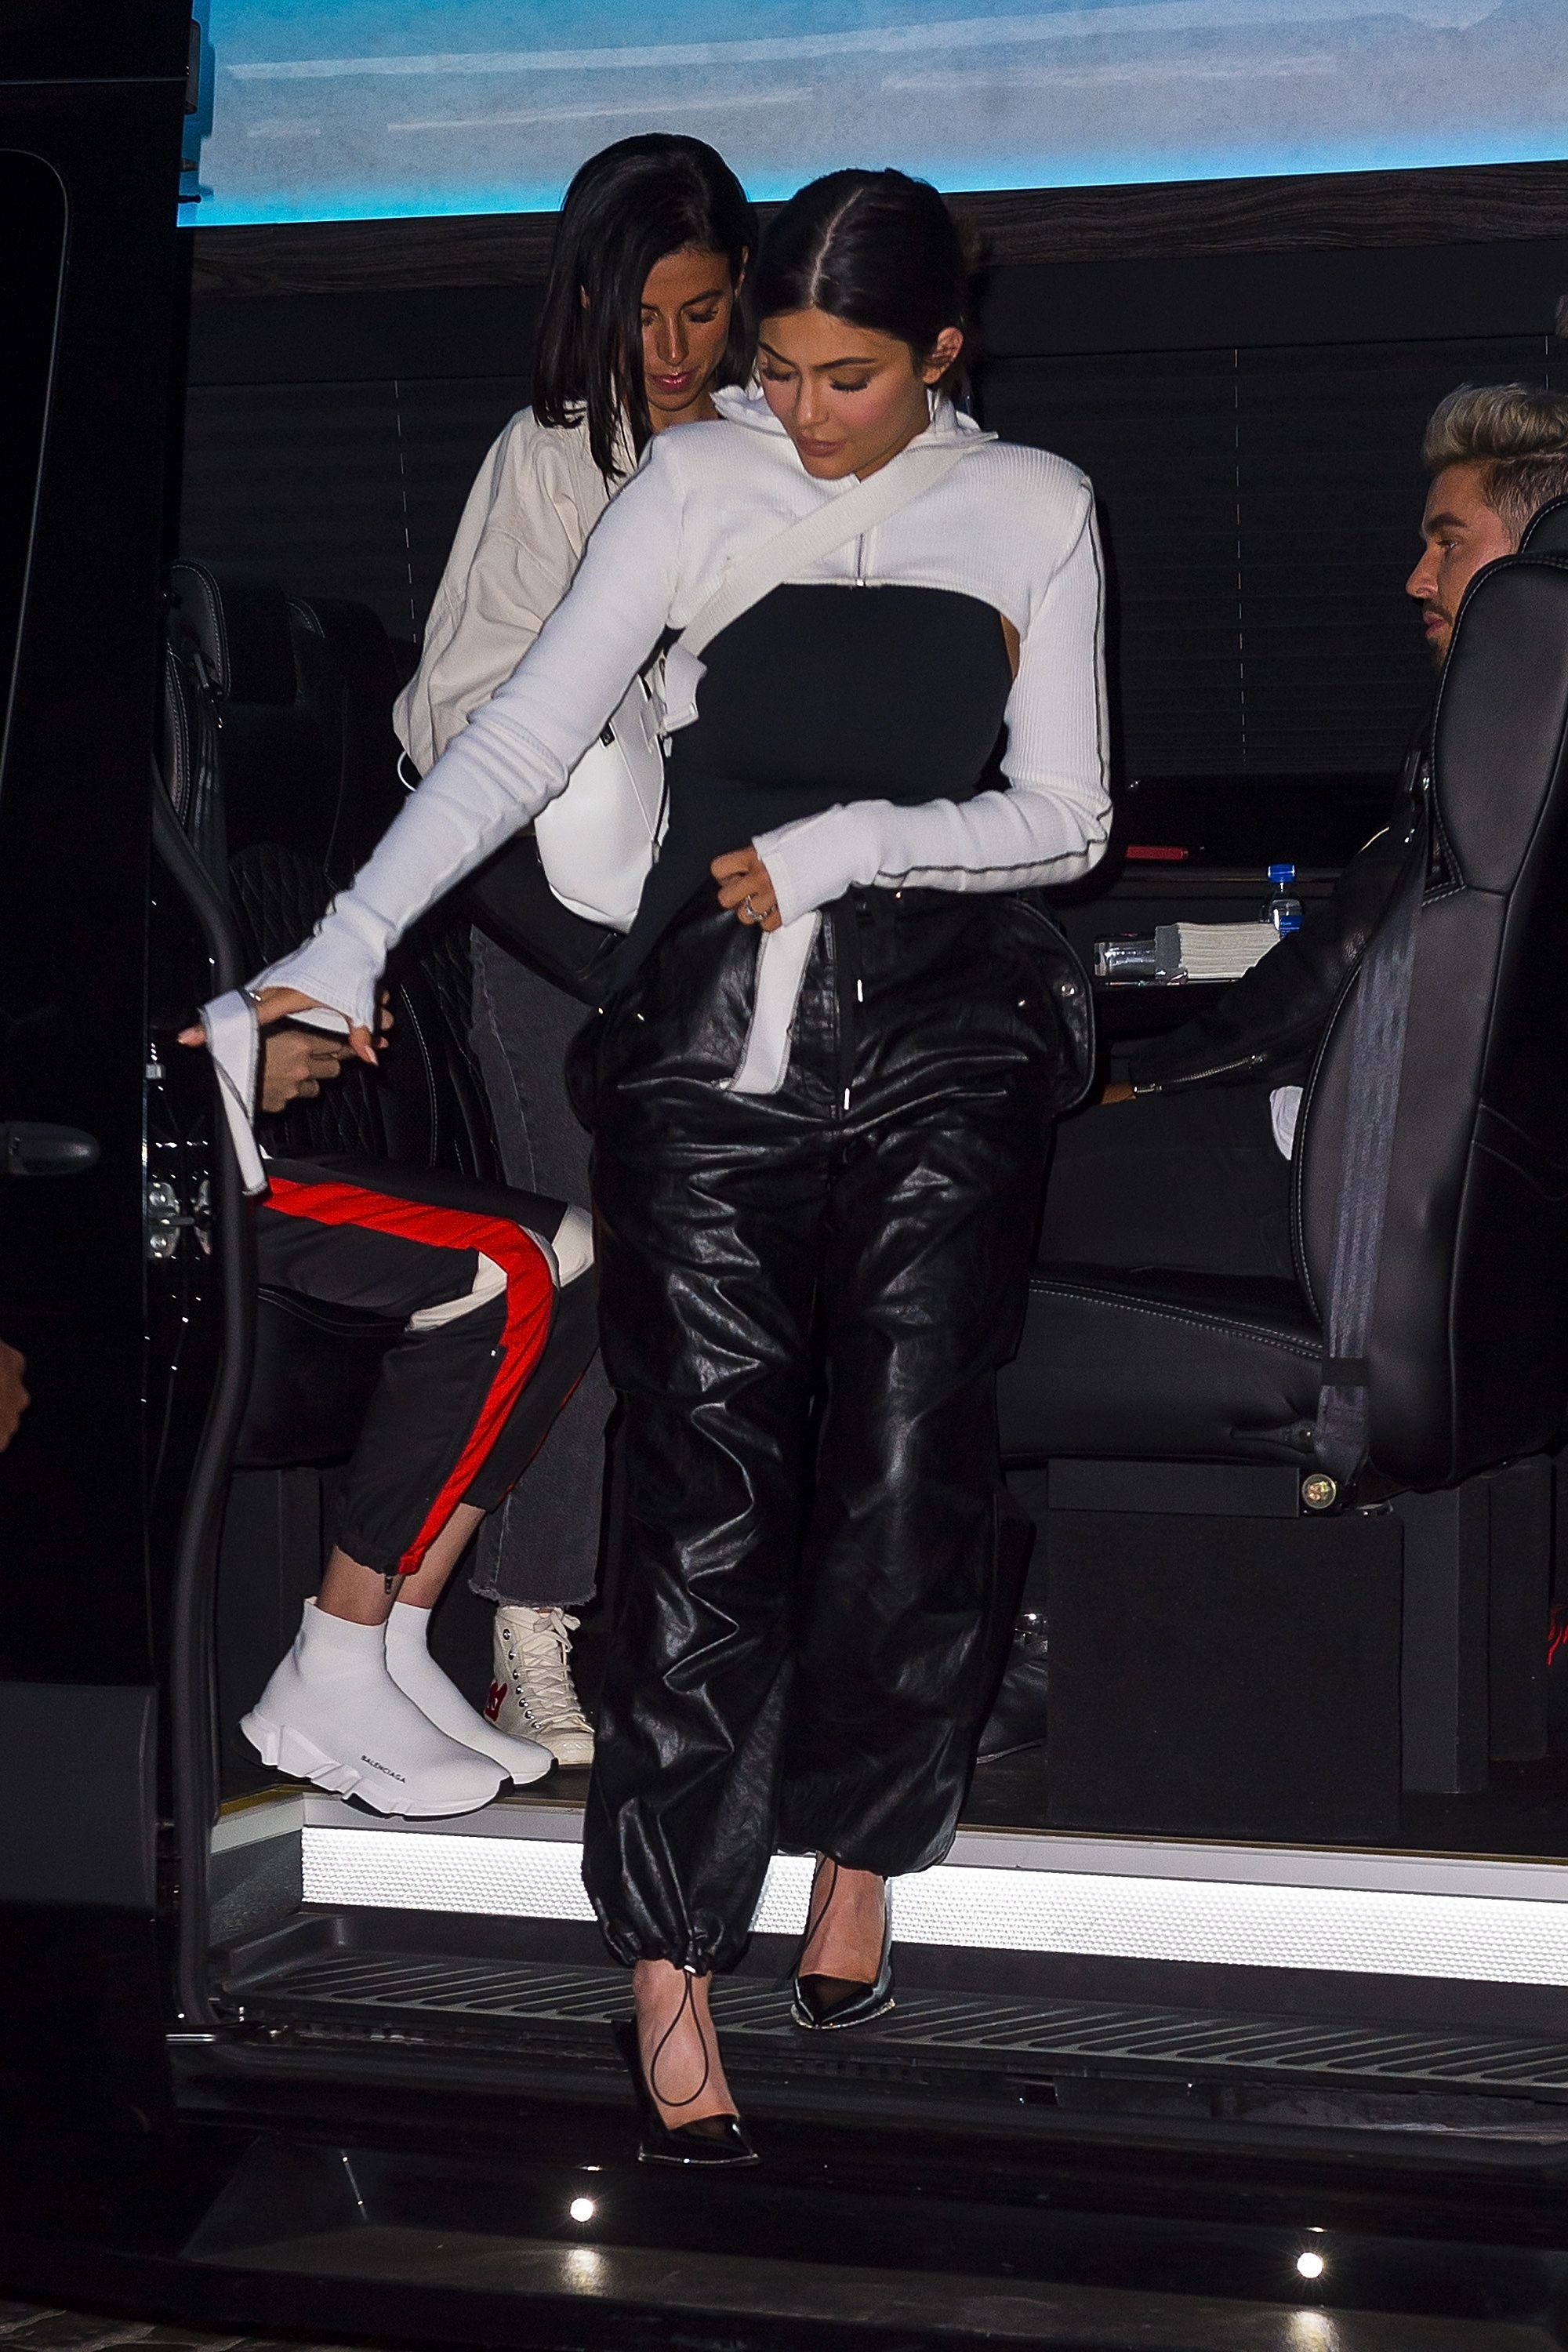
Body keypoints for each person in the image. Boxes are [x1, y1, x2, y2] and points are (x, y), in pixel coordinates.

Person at [234, 166, 1109, 2164]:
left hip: (944, 1032)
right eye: (772, 367)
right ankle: (663, 1946)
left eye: (842, 376)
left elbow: (1065, 816)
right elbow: (514, 738)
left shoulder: (1033, 506)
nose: (794, 411)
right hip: (711, 1036)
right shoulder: (698, 482)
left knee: (906, 1463)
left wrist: (851, 845)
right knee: (705, 1480)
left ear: (939, 352)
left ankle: (863, 1843)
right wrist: (344, 944)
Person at [395, 134, 756, 1770]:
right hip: (548, 925)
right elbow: (451, 726)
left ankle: (683, 1621)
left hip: (707, 921)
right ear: (592, 305)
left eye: (701, 312)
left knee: (712, 1278)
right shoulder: (550, 460)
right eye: (642, 316)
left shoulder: (771, 455)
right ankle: (526, 1630)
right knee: (585, 1257)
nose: (671, 352)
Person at [1036, 380, 1568, 1283]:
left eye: (1447, 543)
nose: (1416, 579)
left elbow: (1348, 964)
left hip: (1354, 1169)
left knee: (980, 1190)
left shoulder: (1504, 739)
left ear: (1539, 553)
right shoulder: (1503, 723)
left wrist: (1147, 1082)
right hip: (1388, 1139)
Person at [179, 1013, 598, 1817]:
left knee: (576, 1254)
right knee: (502, 1271)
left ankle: (395, 1636)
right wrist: (222, 1061)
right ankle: (333, 1658)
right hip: (168, 1169)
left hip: (231, 1146)